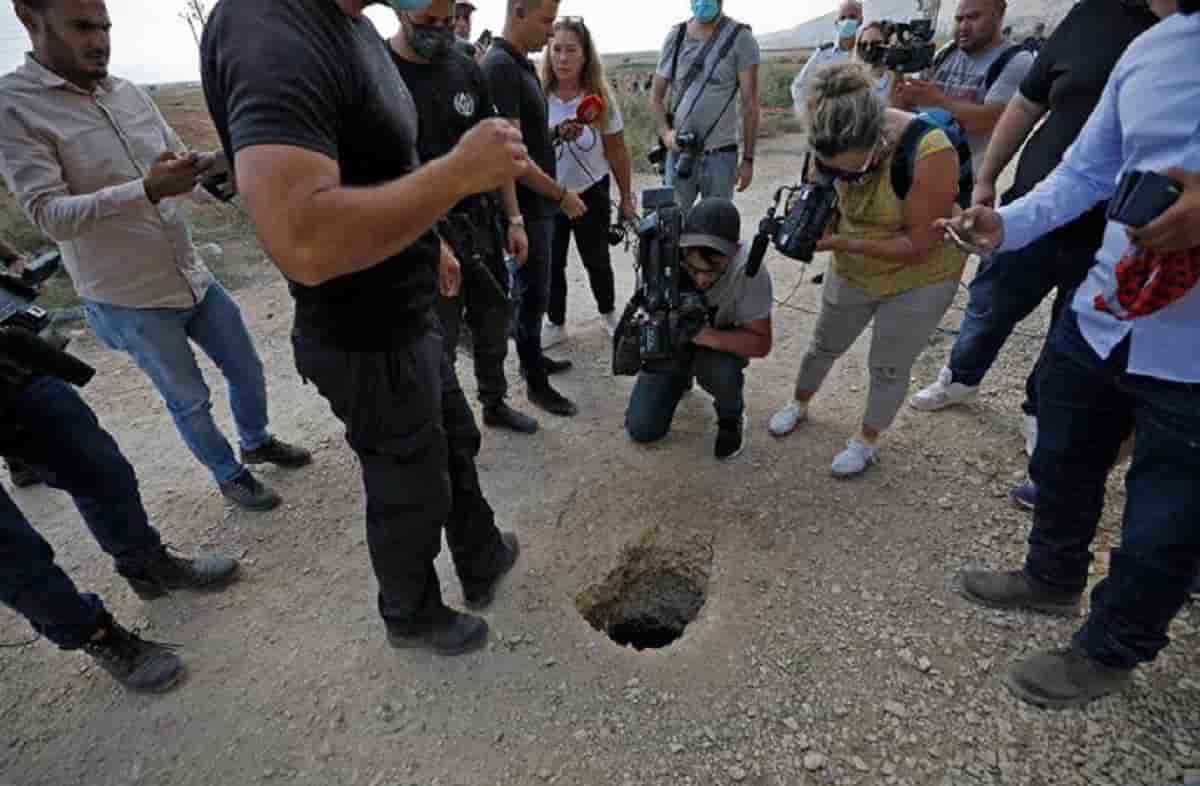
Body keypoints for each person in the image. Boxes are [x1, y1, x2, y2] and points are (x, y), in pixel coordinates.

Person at [200, 0, 526, 656]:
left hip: (408, 309)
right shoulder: (269, 28)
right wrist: (459, 175)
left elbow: (383, 162)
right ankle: (410, 612)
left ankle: (480, 553)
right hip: (363, 333)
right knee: (408, 483)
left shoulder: (354, 28)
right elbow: (305, 239)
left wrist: (429, 241)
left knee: (454, 440)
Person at [940, 0, 1199, 708]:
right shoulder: (1155, 49)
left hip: (1193, 353)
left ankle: (1111, 650)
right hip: (1105, 312)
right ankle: (1052, 579)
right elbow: (1086, 172)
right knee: (1061, 454)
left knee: (1166, 520)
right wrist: (1005, 223)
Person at [0, 0, 312, 514]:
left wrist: (216, 174)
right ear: (30, 19)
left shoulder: (128, 93)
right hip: (129, 297)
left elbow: (175, 170)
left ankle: (254, 442)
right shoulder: (15, 107)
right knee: (188, 398)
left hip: (190, 274)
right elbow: (49, 215)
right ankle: (228, 473)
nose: (99, 40)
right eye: (82, 27)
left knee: (247, 369)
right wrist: (145, 189)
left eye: (104, 27)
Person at [910, 0, 1160, 501]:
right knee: (990, 304)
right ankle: (960, 377)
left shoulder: (1176, 37)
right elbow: (1029, 108)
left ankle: (1038, 413)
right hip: (1039, 210)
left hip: (1123, 239)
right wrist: (988, 182)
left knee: (1068, 338)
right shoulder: (1093, 15)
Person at [0, 328, 239, 693]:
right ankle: (94, 633)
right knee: (10, 553)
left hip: (8, 373)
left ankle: (146, 566)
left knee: (101, 469)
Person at [768, 64, 968, 478]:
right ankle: (799, 403)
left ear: (878, 140)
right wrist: (816, 224)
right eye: (833, 168)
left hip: (920, 277)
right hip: (855, 268)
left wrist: (841, 243)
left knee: (888, 366)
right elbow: (823, 199)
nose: (843, 177)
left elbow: (919, 245)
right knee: (823, 343)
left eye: (852, 170)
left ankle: (867, 441)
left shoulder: (930, 151)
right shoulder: (827, 143)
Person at [388, 0, 539, 435]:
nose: (443, 30)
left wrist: (514, 220)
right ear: (400, 12)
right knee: (440, 340)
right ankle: (446, 428)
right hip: (423, 231)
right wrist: (433, 243)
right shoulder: (379, 70)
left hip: (481, 223)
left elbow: (499, 147)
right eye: (429, 23)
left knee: (494, 322)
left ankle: (494, 402)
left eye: (447, 20)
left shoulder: (464, 65)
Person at [481, 0, 580, 417]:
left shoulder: (520, 64)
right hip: (527, 207)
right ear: (518, 12)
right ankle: (535, 384)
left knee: (537, 293)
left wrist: (555, 133)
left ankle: (534, 359)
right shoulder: (500, 66)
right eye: (545, 21)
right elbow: (512, 159)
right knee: (529, 295)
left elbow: (529, 138)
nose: (551, 31)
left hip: (539, 207)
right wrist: (560, 195)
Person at [625, 197, 773, 460]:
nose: (702, 278)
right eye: (693, 269)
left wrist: (705, 336)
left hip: (716, 347)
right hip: (672, 346)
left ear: (735, 251)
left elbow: (761, 344)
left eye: (714, 269)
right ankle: (680, 378)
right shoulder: (661, 257)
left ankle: (731, 417)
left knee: (721, 372)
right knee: (643, 429)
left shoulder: (750, 271)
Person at [542, 16, 637, 346]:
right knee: (551, 263)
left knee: (596, 259)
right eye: (557, 49)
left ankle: (609, 314)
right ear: (548, 52)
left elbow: (618, 152)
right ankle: (554, 322)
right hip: (549, 192)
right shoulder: (537, 95)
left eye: (571, 50)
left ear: (585, 55)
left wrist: (626, 197)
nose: (563, 58)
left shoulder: (600, 98)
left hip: (591, 191)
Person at [894, 0, 1035, 173]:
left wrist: (938, 101)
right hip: (924, 164)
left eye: (973, 17)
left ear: (999, 14)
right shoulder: (947, 52)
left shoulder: (1017, 60)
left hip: (968, 176)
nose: (963, 27)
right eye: (959, 19)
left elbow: (991, 120)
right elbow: (913, 104)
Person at [651, 0, 760, 210]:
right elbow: (656, 97)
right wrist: (666, 134)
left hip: (720, 156)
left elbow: (750, 104)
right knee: (673, 229)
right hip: (680, 154)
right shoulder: (677, 35)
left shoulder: (741, 38)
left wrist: (748, 160)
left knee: (715, 232)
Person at [789, 0, 864, 115]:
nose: (847, 21)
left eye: (852, 17)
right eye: (842, 18)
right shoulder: (823, 54)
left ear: (861, 21)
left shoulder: (866, 53)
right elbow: (799, 86)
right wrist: (809, 116)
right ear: (836, 23)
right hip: (829, 123)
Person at [852, 20, 898, 108]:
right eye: (864, 45)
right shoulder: (851, 86)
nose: (868, 49)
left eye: (875, 44)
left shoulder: (898, 83)